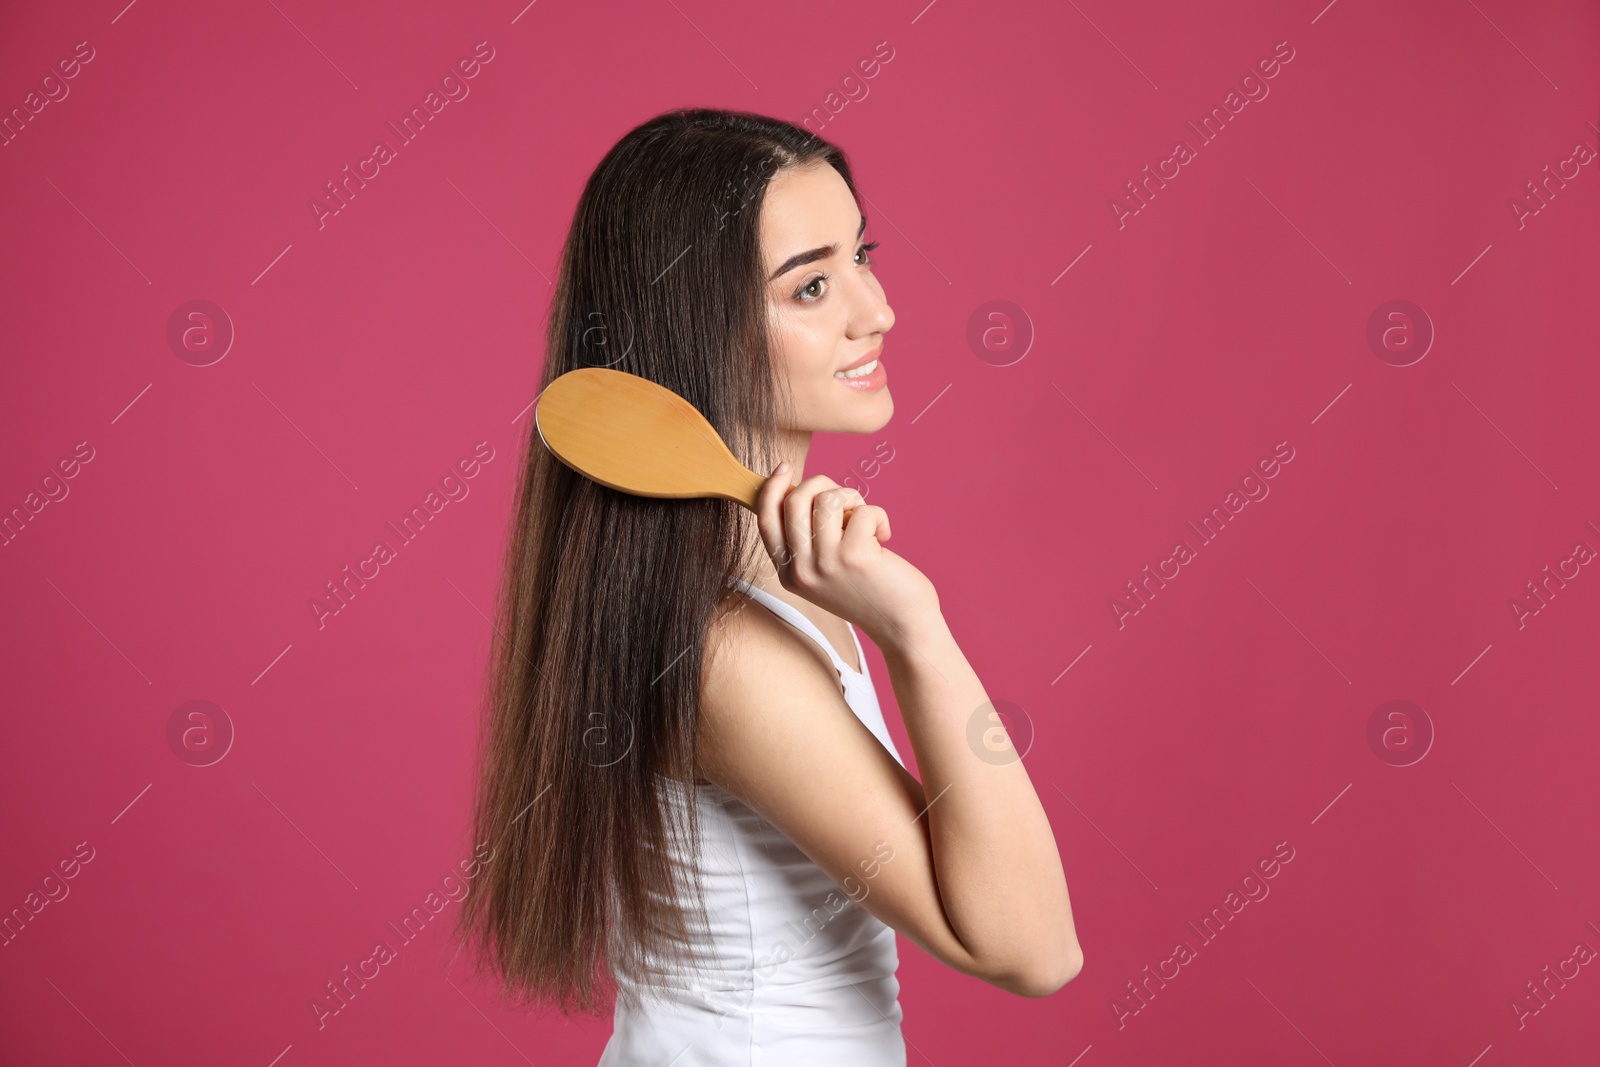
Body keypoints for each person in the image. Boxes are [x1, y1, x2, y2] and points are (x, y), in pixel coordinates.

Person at [454, 108, 1082, 1066]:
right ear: (695, 325)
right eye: (813, 285)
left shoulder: (770, 587)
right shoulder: (726, 653)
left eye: (862, 256)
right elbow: (1031, 948)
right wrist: (920, 632)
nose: (877, 310)